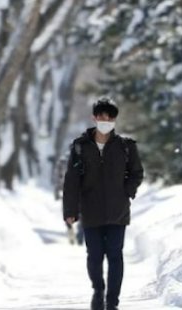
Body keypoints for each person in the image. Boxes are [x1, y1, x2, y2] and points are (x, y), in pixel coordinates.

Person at [63, 97, 144, 310]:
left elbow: (136, 173)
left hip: (118, 212)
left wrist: (127, 190)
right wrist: (70, 211)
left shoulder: (125, 147)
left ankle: (112, 302)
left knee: (115, 256)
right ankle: (98, 290)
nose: (105, 121)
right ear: (94, 117)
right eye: (101, 117)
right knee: (95, 256)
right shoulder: (81, 147)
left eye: (109, 117)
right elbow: (71, 180)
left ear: (115, 120)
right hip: (90, 211)